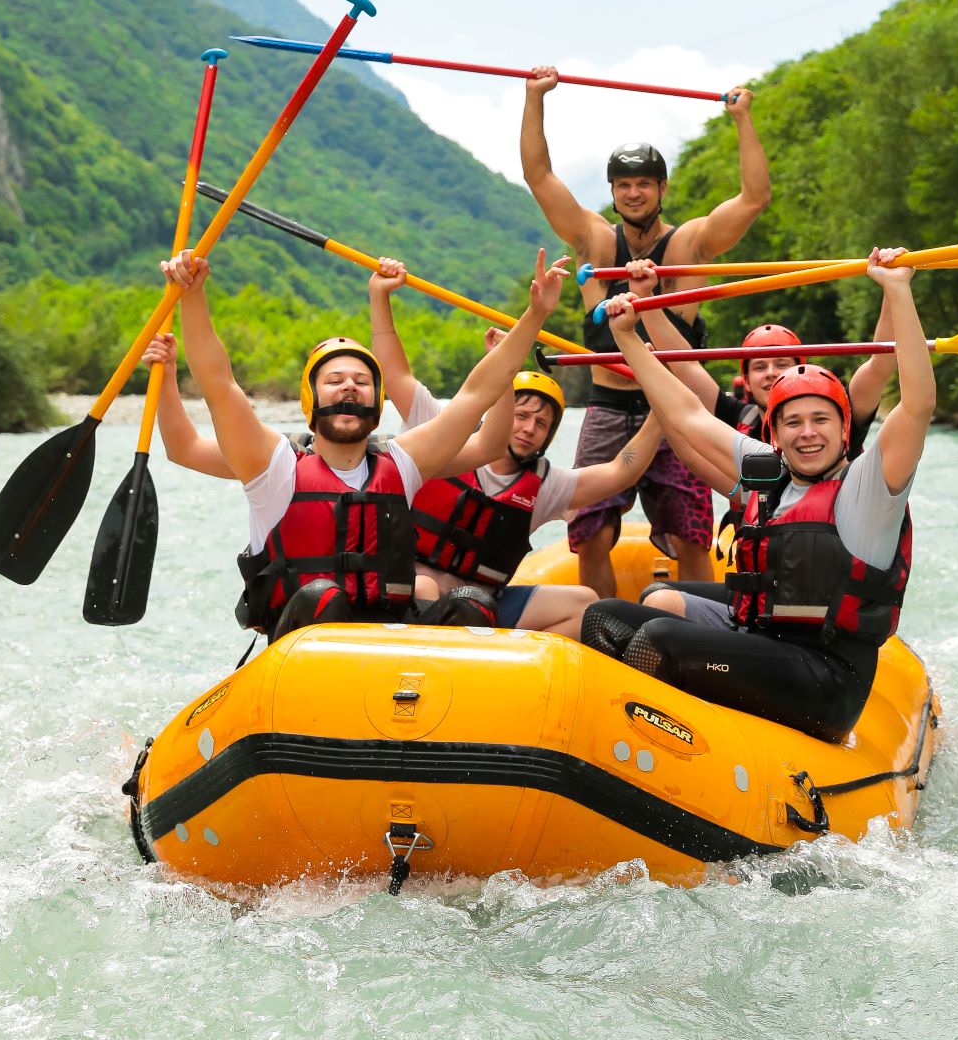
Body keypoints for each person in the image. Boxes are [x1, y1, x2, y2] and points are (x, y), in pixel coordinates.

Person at [579, 249, 934, 743]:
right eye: (792, 422)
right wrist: (627, 339)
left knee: (659, 638)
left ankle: (653, 739)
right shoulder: (768, 473)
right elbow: (686, 413)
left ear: (844, 426)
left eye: (820, 420)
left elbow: (917, 405)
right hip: (761, 640)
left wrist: (898, 290)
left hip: (826, 677)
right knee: (604, 618)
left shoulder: (870, 488)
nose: (807, 433)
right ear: (775, 430)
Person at [160, 244, 570, 641]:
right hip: (304, 649)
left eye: (361, 382)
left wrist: (534, 315)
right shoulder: (273, 465)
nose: (350, 389)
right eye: (335, 382)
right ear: (312, 399)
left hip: (385, 649)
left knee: (473, 603)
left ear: (377, 401)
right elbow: (219, 385)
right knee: (324, 597)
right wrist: (193, 297)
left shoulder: (402, 463)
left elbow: (475, 395)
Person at [520, 66, 771, 596]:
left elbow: (753, 199)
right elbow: (539, 176)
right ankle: (604, 627)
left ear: (662, 188)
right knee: (591, 534)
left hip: (676, 411)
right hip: (609, 407)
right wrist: (535, 97)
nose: (634, 194)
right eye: (624, 185)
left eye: (644, 184)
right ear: (613, 191)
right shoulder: (592, 240)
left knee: (691, 539)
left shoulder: (690, 247)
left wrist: (743, 120)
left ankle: (703, 627)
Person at [368, 260, 664, 639]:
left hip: (485, 605)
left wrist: (659, 405)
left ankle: (516, 675)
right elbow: (395, 375)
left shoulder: (544, 486)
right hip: (409, 592)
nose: (528, 428)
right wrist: (380, 297)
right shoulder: (443, 431)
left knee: (585, 603)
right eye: (522, 415)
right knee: (426, 589)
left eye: (541, 424)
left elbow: (621, 471)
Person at [621, 257, 897, 530]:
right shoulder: (739, 417)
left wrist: (892, 289)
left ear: (801, 370)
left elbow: (881, 362)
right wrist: (645, 297)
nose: (770, 373)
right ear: (747, 382)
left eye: (781, 364)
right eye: (760, 366)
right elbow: (687, 365)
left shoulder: (837, 413)